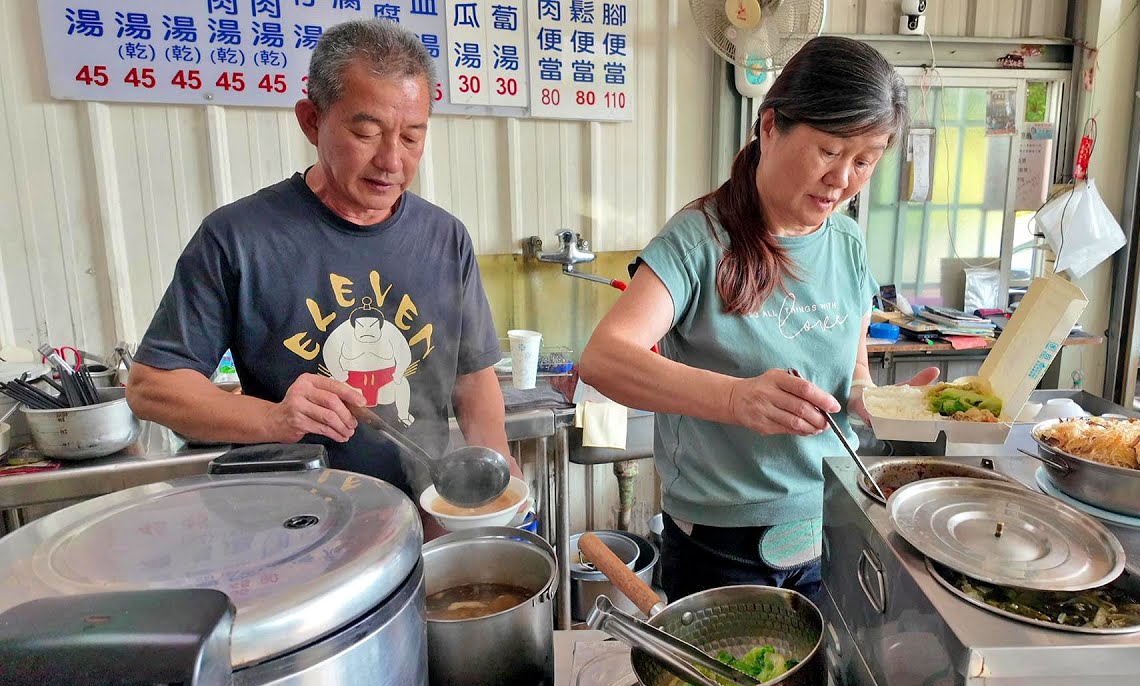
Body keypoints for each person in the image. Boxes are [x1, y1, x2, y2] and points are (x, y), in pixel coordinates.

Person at [579, 37, 936, 602]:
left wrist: (875, 402)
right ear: (770, 127)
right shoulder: (699, 241)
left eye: (864, 161)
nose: (842, 179)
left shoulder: (847, 242)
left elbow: (853, 371)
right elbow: (604, 359)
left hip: (832, 520)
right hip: (720, 544)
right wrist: (736, 399)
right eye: (829, 150)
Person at [126, 19, 518, 499]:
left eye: (412, 137)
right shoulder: (239, 238)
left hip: (422, 508)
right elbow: (152, 387)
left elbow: (473, 378)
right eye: (367, 133)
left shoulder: (445, 237)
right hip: (291, 518)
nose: (392, 161)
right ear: (311, 120)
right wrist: (273, 418)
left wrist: (501, 476)